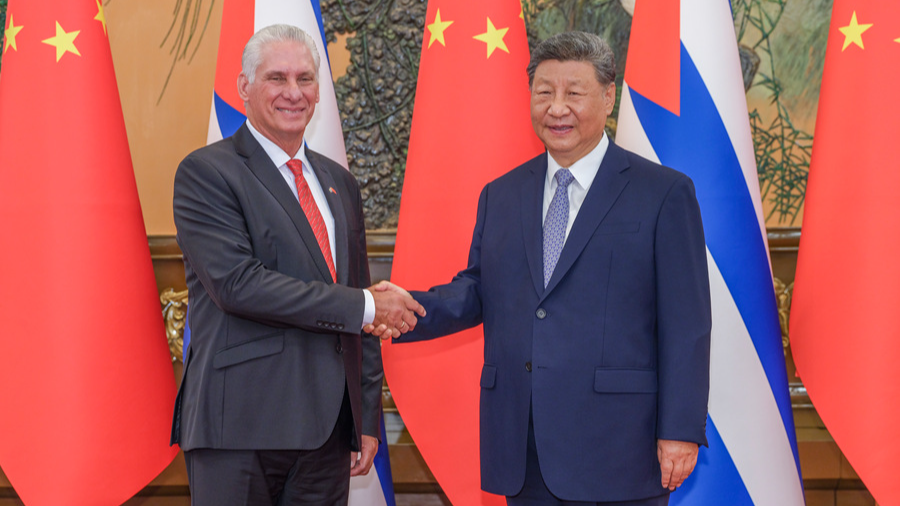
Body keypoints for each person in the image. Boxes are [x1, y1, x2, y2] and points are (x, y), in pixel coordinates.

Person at [370, 31, 711, 505]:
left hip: (620, 448)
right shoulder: (502, 194)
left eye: (574, 92)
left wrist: (680, 429)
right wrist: (397, 308)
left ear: (608, 97)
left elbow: (687, 322)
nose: (557, 107)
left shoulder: (663, 193)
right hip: (524, 446)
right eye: (544, 92)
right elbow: (478, 290)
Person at [170, 24, 424, 506]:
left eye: (305, 79)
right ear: (245, 87)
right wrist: (369, 306)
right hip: (239, 428)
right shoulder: (207, 173)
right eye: (277, 78)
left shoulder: (338, 183)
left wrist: (364, 416)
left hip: (328, 432)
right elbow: (239, 285)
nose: (293, 93)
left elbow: (358, 298)